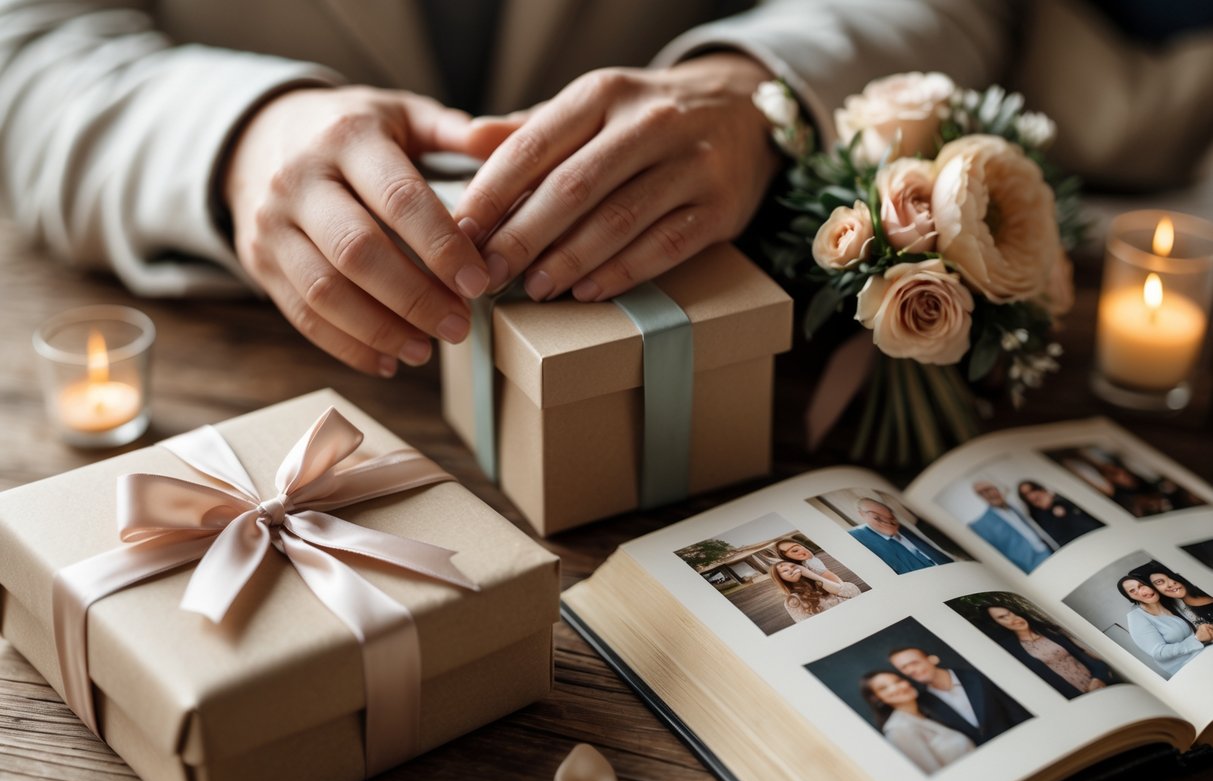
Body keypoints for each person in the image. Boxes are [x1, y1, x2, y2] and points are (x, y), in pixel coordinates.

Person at [3, 2, 1209, 376]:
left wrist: (757, 87)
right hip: (252, 365)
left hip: (730, 358)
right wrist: (234, 137)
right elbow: (31, 45)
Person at [887, 646, 1030, 745]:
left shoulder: (979, 676)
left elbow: (1017, 712)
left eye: (914, 663)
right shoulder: (922, 703)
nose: (911, 670)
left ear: (933, 659)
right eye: (904, 668)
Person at [980, 603, 1114, 699]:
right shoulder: (1011, 651)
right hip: (1075, 699)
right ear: (996, 624)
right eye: (1002, 617)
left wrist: (1098, 678)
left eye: (1010, 613)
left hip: (1102, 687)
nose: (1013, 618)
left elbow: (1090, 658)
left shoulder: (1051, 633)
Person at [859, 671, 975, 774]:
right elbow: (934, 775)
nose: (896, 687)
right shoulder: (899, 730)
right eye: (883, 688)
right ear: (876, 698)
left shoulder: (928, 715)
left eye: (898, 681)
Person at [1118, 575, 1213, 677]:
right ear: (1130, 597)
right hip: (1188, 669)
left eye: (1141, 585)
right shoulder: (1136, 617)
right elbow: (1158, 652)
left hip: (1205, 653)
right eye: (1132, 591)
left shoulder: (1168, 602)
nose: (1142, 591)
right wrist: (1196, 639)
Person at [968, 480, 1055, 573]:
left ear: (996, 489)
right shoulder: (982, 524)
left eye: (989, 489)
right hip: (1032, 566)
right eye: (982, 493)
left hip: (1048, 551)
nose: (988, 494)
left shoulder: (1013, 507)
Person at [848, 498, 952, 574]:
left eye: (890, 516)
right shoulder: (856, 537)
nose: (886, 521)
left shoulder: (904, 527)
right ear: (862, 514)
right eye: (877, 517)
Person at [1016, 480, 1103, 548]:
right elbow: (1056, 534)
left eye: (1032, 490)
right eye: (1026, 494)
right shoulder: (1037, 515)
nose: (1031, 495)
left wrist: (1054, 501)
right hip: (1078, 545)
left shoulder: (1060, 497)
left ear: (1039, 488)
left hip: (1097, 533)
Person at [767, 560, 858, 623]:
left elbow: (854, 592)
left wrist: (810, 574)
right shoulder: (793, 601)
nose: (791, 569)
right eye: (785, 570)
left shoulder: (823, 581)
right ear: (780, 578)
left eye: (793, 566)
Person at [1137, 563, 1213, 628]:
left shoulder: (1208, 586)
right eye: (1159, 582)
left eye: (1171, 576)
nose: (1171, 583)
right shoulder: (1179, 612)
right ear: (1155, 589)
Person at [773, 538, 844, 585]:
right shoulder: (796, 571)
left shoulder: (812, 562)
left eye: (799, 546)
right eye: (795, 550)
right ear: (786, 557)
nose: (801, 550)